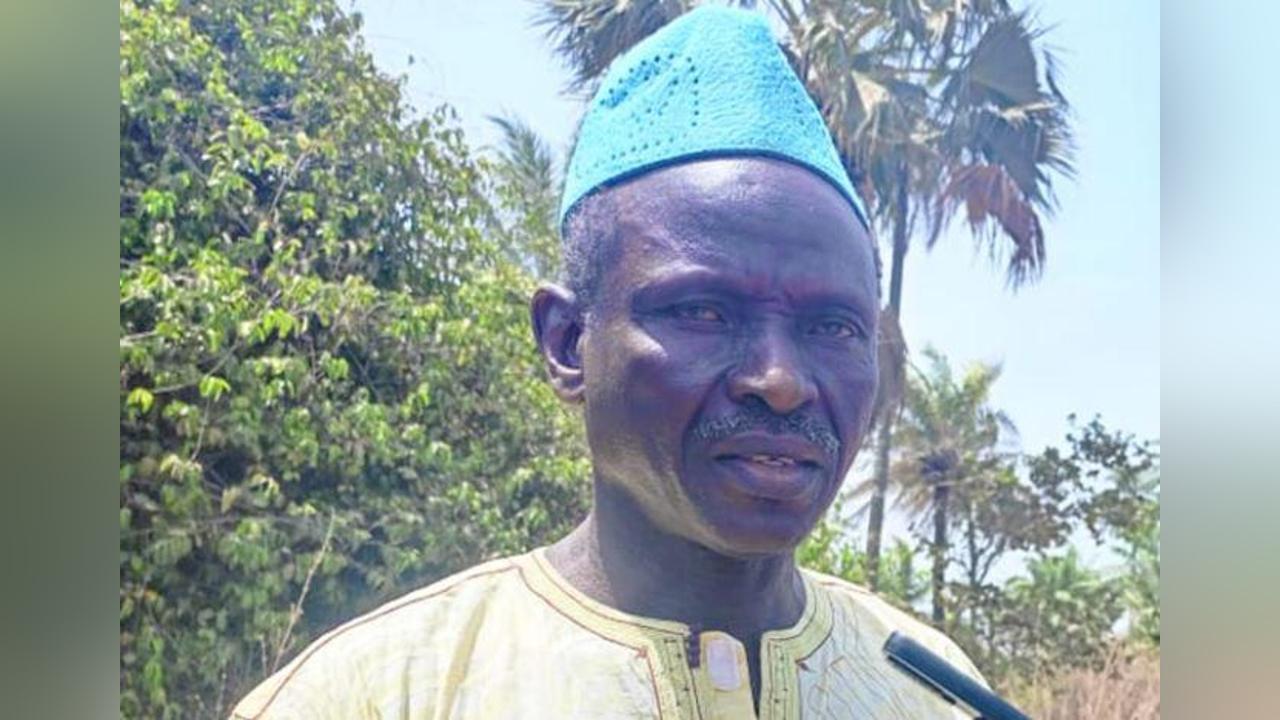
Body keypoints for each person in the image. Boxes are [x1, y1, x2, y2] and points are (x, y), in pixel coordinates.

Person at [231, 6, 985, 719]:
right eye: (704, 312)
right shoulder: (380, 693)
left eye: (833, 327)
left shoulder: (937, 694)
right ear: (567, 343)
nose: (781, 381)